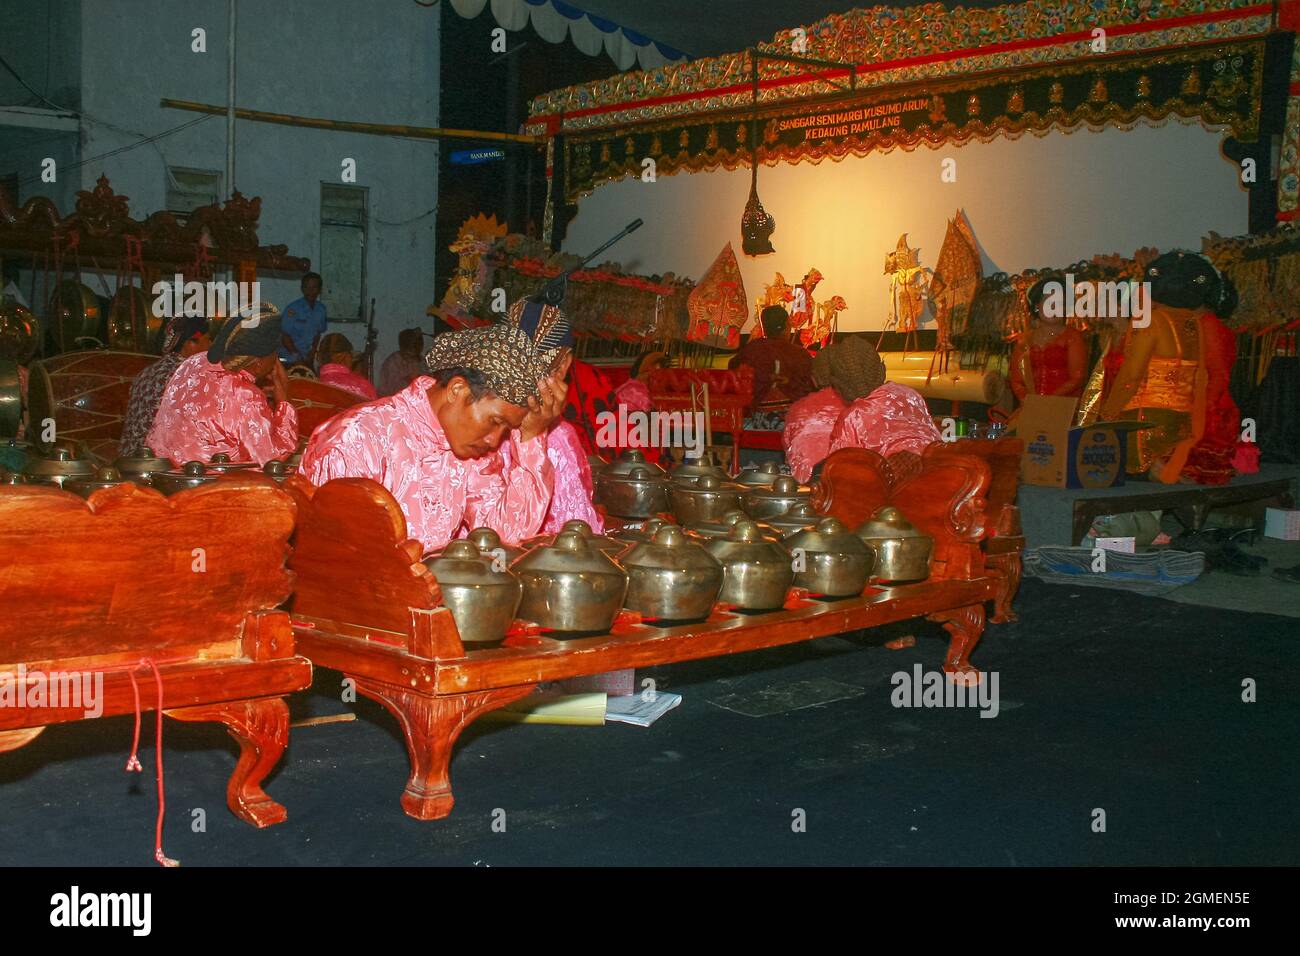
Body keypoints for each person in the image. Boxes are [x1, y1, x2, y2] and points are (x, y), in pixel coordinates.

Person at [299, 319, 569, 553]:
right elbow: (330, 565)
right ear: (457, 391)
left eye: (506, 429)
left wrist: (531, 435)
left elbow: (506, 539)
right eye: (495, 421)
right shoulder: (357, 439)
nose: (494, 441)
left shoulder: (470, 451)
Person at [1101, 251, 1226, 483]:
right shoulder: (1193, 323)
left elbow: (1132, 374)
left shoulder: (1151, 320)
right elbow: (1201, 377)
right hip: (1180, 422)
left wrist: (1108, 414)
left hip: (1143, 420)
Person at [148, 305, 299, 465]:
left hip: (161, 469)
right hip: (205, 483)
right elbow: (271, 460)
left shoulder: (194, 362)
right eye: (275, 354)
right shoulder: (246, 395)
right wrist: (284, 401)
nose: (276, 360)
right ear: (259, 364)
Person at [824, 336, 942, 461]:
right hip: (937, 470)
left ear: (840, 385)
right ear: (881, 370)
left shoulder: (852, 418)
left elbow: (838, 468)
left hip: (891, 478)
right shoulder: (910, 395)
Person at [119, 316, 211, 456]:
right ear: (190, 342)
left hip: (130, 459)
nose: (211, 346)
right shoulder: (190, 376)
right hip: (160, 463)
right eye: (208, 339)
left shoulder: (146, 372)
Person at [1008, 274, 1088, 408]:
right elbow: (1016, 380)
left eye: (1059, 303)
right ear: (1037, 305)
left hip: (1063, 408)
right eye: (1048, 301)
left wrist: (1048, 400)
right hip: (1031, 408)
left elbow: (1077, 378)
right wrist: (1026, 400)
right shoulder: (1024, 340)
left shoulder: (1072, 337)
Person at [782, 348, 846, 483]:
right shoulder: (856, 406)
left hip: (805, 484)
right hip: (845, 483)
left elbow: (788, 452)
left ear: (814, 379)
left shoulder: (797, 408)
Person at [729, 305, 814, 406]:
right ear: (787, 326)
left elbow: (733, 370)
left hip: (754, 416)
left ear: (764, 327)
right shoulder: (800, 354)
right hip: (792, 415)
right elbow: (811, 385)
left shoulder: (752, 349)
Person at [280, 271, 327, 367]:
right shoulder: (293, 309)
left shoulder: (321, 309)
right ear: (302, 289)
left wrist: (313, 352)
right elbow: (284, 336)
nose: (310, 291)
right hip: (289, 359)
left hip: (307, 358)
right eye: (306, 287)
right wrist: (296, 356)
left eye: (314, 287)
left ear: (320, 290)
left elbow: (318, 333)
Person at [317, 332, 377, 400]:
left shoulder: (312, 384)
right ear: (345, 356)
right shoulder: (362, 386)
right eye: (351, 355)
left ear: (320, 357)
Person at [378, 328, 427, 396]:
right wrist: (411, 379)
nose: (417, 346)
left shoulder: (421, 361)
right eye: (414, 343)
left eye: (419, 343)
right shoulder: (393, 361)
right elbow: (393, 390)